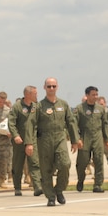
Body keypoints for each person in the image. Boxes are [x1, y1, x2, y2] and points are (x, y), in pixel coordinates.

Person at [27, 78, 80, 206]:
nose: (51, 88)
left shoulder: (63, 104)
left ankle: (59, 189)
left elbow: (71, 122)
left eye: (53, 86)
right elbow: (30, 124)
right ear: (44, 87)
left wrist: (75, 140)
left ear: (57, 87)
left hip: (60, 137)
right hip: (44, 140)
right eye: (49, 86)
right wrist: (29, 143)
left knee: (65, 164)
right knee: (46, 169)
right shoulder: (38, 106)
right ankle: (50, 196)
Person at [74, 86, 108, 193]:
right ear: (87, 95)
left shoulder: (100, 109)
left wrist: (107, 139)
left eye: (96, 94)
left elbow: (105, 124)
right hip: (85, 137)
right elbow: (74, 124)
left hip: (97, 136)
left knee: (99, 160)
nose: (95, 97)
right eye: (93, 95)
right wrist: (77, 139)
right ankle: (81, 180)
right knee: (82, 161)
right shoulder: (79, 109)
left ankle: (98, 184)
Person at [8, 86, 42, 196]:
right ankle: (17, 187)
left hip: (32, 139)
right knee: (18, 164)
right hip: (20, 140)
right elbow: (11, 123)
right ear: (28, 94)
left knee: (34, 163)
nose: (37, 95)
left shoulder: (36, 107)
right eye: (35, 93)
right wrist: (15, 135)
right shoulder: (17, 107)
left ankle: (37, 186)